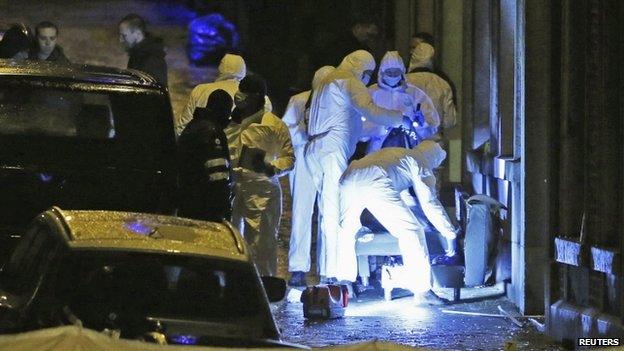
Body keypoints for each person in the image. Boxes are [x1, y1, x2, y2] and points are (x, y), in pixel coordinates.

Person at [305, 50, 412, 281]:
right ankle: (333, 274)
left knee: (327, 212)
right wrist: (400, 118)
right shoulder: (348, 81)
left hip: (317, 147)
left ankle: (328, 270)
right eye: (367, 73)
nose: (367, 78)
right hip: (332, 149)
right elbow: (370, 111)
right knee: (336, 212)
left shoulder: (327, 79)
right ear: (361, 68)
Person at [336, 141, 459, 298]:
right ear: (432, 159)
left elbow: (405, 198)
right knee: (412, 231)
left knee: (346, 231)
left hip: (349, 176)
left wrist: (423, 220)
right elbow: (430, 202)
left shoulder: (401, 153)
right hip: (375, 180)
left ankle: (343, 285)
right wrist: (450, 234)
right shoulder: (421, 162)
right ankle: (422, 290)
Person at [227, 74, 294, 277]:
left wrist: (270, 168)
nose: (239, 96)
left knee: (260, 242)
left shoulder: (274, 125)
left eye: (244, 92)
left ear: (257, 98)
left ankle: (262, 286)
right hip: (232, 187)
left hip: (261, 191)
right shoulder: (230, 122)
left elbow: (289, 159)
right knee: (229, 238)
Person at [283, 65, 335, 286]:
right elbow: (286, 131)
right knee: (302, 212)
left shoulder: (337, 103)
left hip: (326, 158)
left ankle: (328, 266)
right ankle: (298, 267)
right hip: (304, 158)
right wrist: (304, 133)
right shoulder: (298, 100)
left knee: (329, 213)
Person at [361, 51, 439, 154]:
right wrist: (382, 126)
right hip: (376, 153)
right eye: (389, 72)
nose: (393, 76)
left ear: (402, 72)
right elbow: (360, 129)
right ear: (382, 72)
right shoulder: (371, 93)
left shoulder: (414, 94)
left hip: (408, 151)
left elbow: (432, 125)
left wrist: (421, 123)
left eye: (396, 72)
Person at [177, 53, 272, 135]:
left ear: (220, 69)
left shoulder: (200, 90)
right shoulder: (262, 101)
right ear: (243, 71)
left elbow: (183, 126)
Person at [177, 89, 234, 222]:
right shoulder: (212, 133)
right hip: (205, 203)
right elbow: (217, 174)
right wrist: (223, 205)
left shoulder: (195, 125)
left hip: (188, 197)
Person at [406, 42, 457, 133]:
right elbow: (449, 122)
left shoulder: (403, 82)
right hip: (434, 142)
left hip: (407, 142)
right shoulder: (443, 84)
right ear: (433, 60)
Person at [118, 14, 168, 86]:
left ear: (137, 34)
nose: (121, 40)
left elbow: (154, 91)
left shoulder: (152, 60)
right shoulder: (137, 54)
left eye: (124, 36)